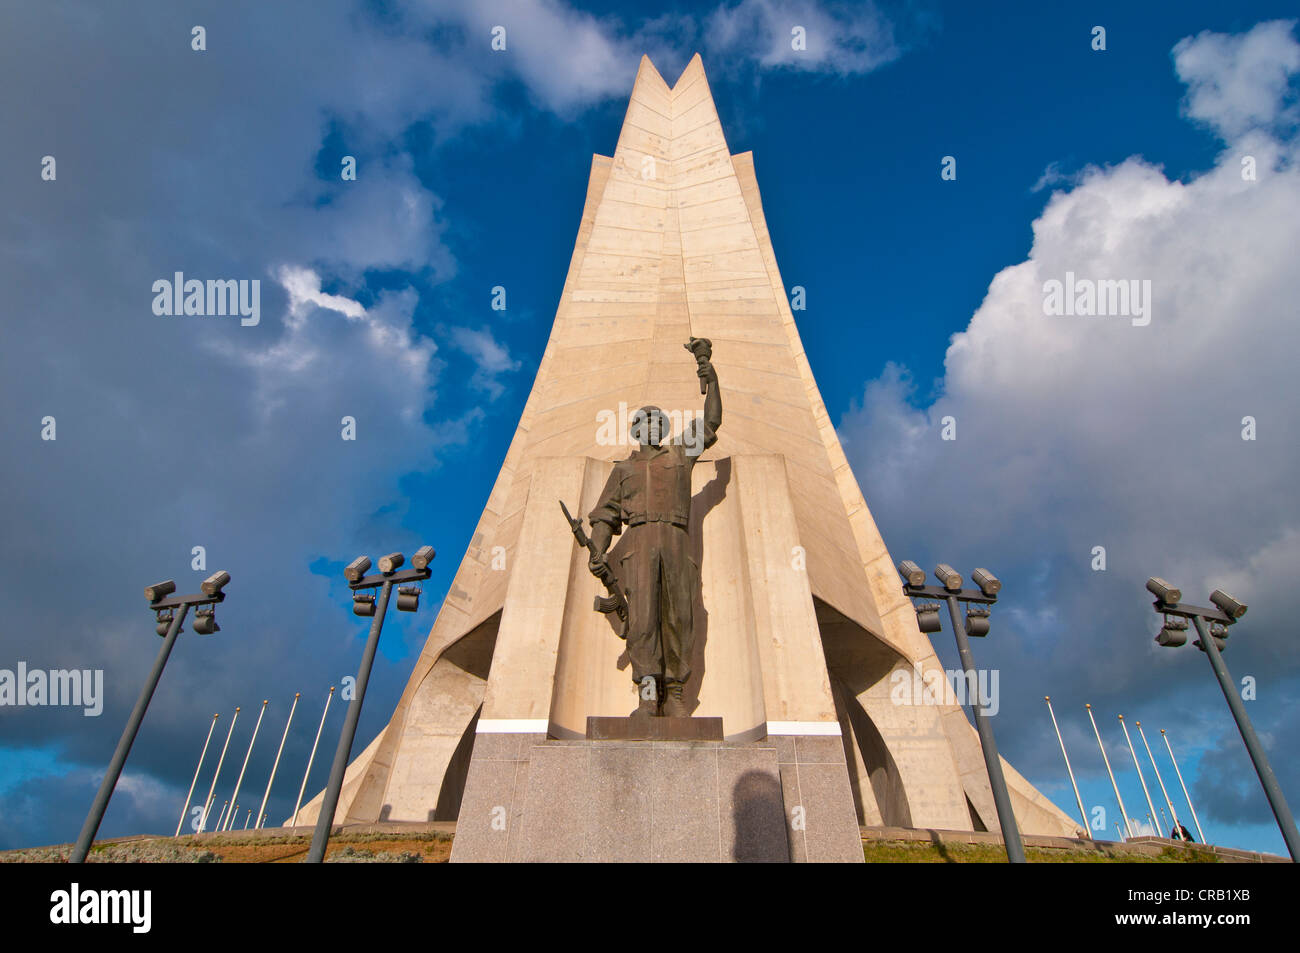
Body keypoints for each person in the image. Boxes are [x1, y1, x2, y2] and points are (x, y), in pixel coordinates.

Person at [587, 338, 721, 717]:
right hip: (639, 540)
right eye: (644, 421)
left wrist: (714, 380)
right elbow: (605, 516)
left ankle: (677, 691)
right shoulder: (624, 469)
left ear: (664, 428)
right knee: (643, 618)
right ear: (634, 430)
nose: (651, 426)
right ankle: (648, 693)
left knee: (681, 614)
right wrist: (597, 550)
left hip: (676, 539)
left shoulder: (680, 453)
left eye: (657, 421)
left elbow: (711, 422)